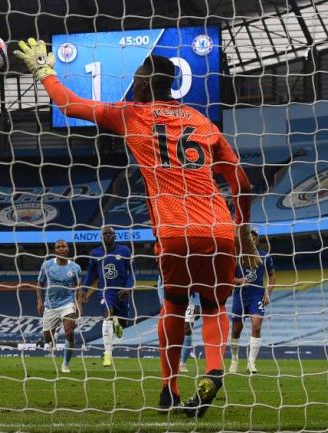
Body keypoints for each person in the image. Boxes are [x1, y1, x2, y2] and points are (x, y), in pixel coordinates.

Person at [15, 41, 260, 417]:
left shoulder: (132, 114)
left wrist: (45, 71)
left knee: (175, 306)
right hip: (218, 228)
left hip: (175, 231)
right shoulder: (201, 121)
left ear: (144, 84)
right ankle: (213, 369)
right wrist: (242, 233)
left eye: (136, 78)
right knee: (213, 306)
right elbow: (242, 183)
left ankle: (168, 390)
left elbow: (70, 106)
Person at [82, 226, 135, 367]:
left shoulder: (124, 251)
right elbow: (90, 274)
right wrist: (84, 289)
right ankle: (107, 354)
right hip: (105, 291)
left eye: (110, 234)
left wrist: (128, 288)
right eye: (105, 234)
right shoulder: (96, 253)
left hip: (122, 292)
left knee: (123, 323)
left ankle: (119, 323)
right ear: (101, 237)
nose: (107, 236)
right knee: (107, 314)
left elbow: (132, 274)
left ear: (115, 236)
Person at [229, 228, 275, 374]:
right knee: (236, 330)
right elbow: (227, 278)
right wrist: (238, 280)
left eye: (254, 237)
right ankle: (234, 360)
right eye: (249, 236)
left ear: (257, 240)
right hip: (240, 296)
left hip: (257, 296)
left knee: (256, 326)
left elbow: (272, 276)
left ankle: (251, 362)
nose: (252, 239)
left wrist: (267, 293)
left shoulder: (264, 256)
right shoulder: (236, 256)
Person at [36, 240, 83, 374]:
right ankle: (52, 341)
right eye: (58, 247)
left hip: (68, 304)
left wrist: (78, 303)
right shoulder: (47, 265)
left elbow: (79, 287)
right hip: (50, 306)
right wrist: (39, 301)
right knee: (47, 337)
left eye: (63, 246)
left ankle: (65, 365)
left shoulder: (75, 267)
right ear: (54, 250)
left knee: (69, 331)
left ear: (68, 249)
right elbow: (40, 283)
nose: (61, 249)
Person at [179, 295, 201, 373]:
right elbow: (160, 283)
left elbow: (196, 284)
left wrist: (197, 304)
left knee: (188, 330)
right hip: (174, 298)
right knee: (174, 329)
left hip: (190, 300)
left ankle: (183, 363)